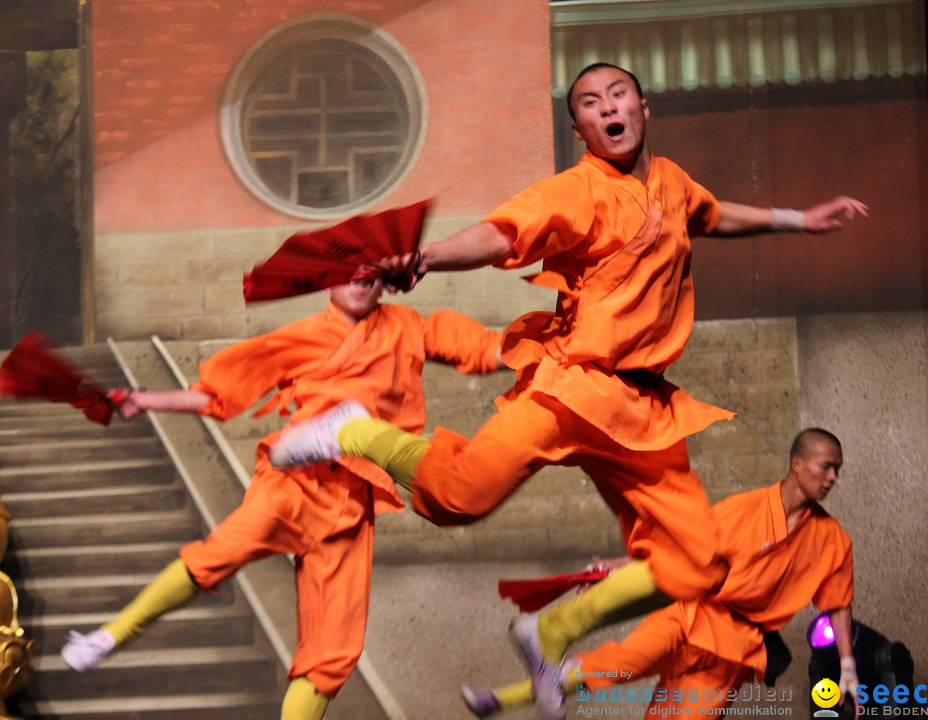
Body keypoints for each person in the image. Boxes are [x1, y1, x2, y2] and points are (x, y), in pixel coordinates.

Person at [268, 63, 868, 719]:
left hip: (643, 411)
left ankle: (547, 634)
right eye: (589, 102)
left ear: (644, 106)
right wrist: (431, 255)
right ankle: (354, 429)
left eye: (617, 95)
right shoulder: (576, 190)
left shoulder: (672, 183)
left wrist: (799, 220)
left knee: (696, 569)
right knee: (458, 499)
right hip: (570, 388)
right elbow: (502, 233)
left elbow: (715, 215)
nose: (607, 108)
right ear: (578, 124)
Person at [59, 274, 504, 720]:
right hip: (295, 477)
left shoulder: (409, 327)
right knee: (222, 551)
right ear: (329, 282)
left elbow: (486, 348)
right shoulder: (303, 336)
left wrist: (553, 353)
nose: (361, 281)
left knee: (332, 651)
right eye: (351, 273)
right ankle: (110, 637)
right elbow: (218, 394)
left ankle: (350, 434)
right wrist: (144, 399)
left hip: (350, 502)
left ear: (385, 284)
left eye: (372, 275)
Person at [461, 428, 858, 719]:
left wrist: (847, 665)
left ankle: (499, 699)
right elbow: (680, 554)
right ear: (798, 463)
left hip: (734, 649)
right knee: (614, 665)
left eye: (838, 470)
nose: (833, 478)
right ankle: (501, 699)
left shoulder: (833, 540)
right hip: (687, 615)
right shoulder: (744, 509)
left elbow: (837, 603)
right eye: (827, 467)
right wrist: (616, 568)